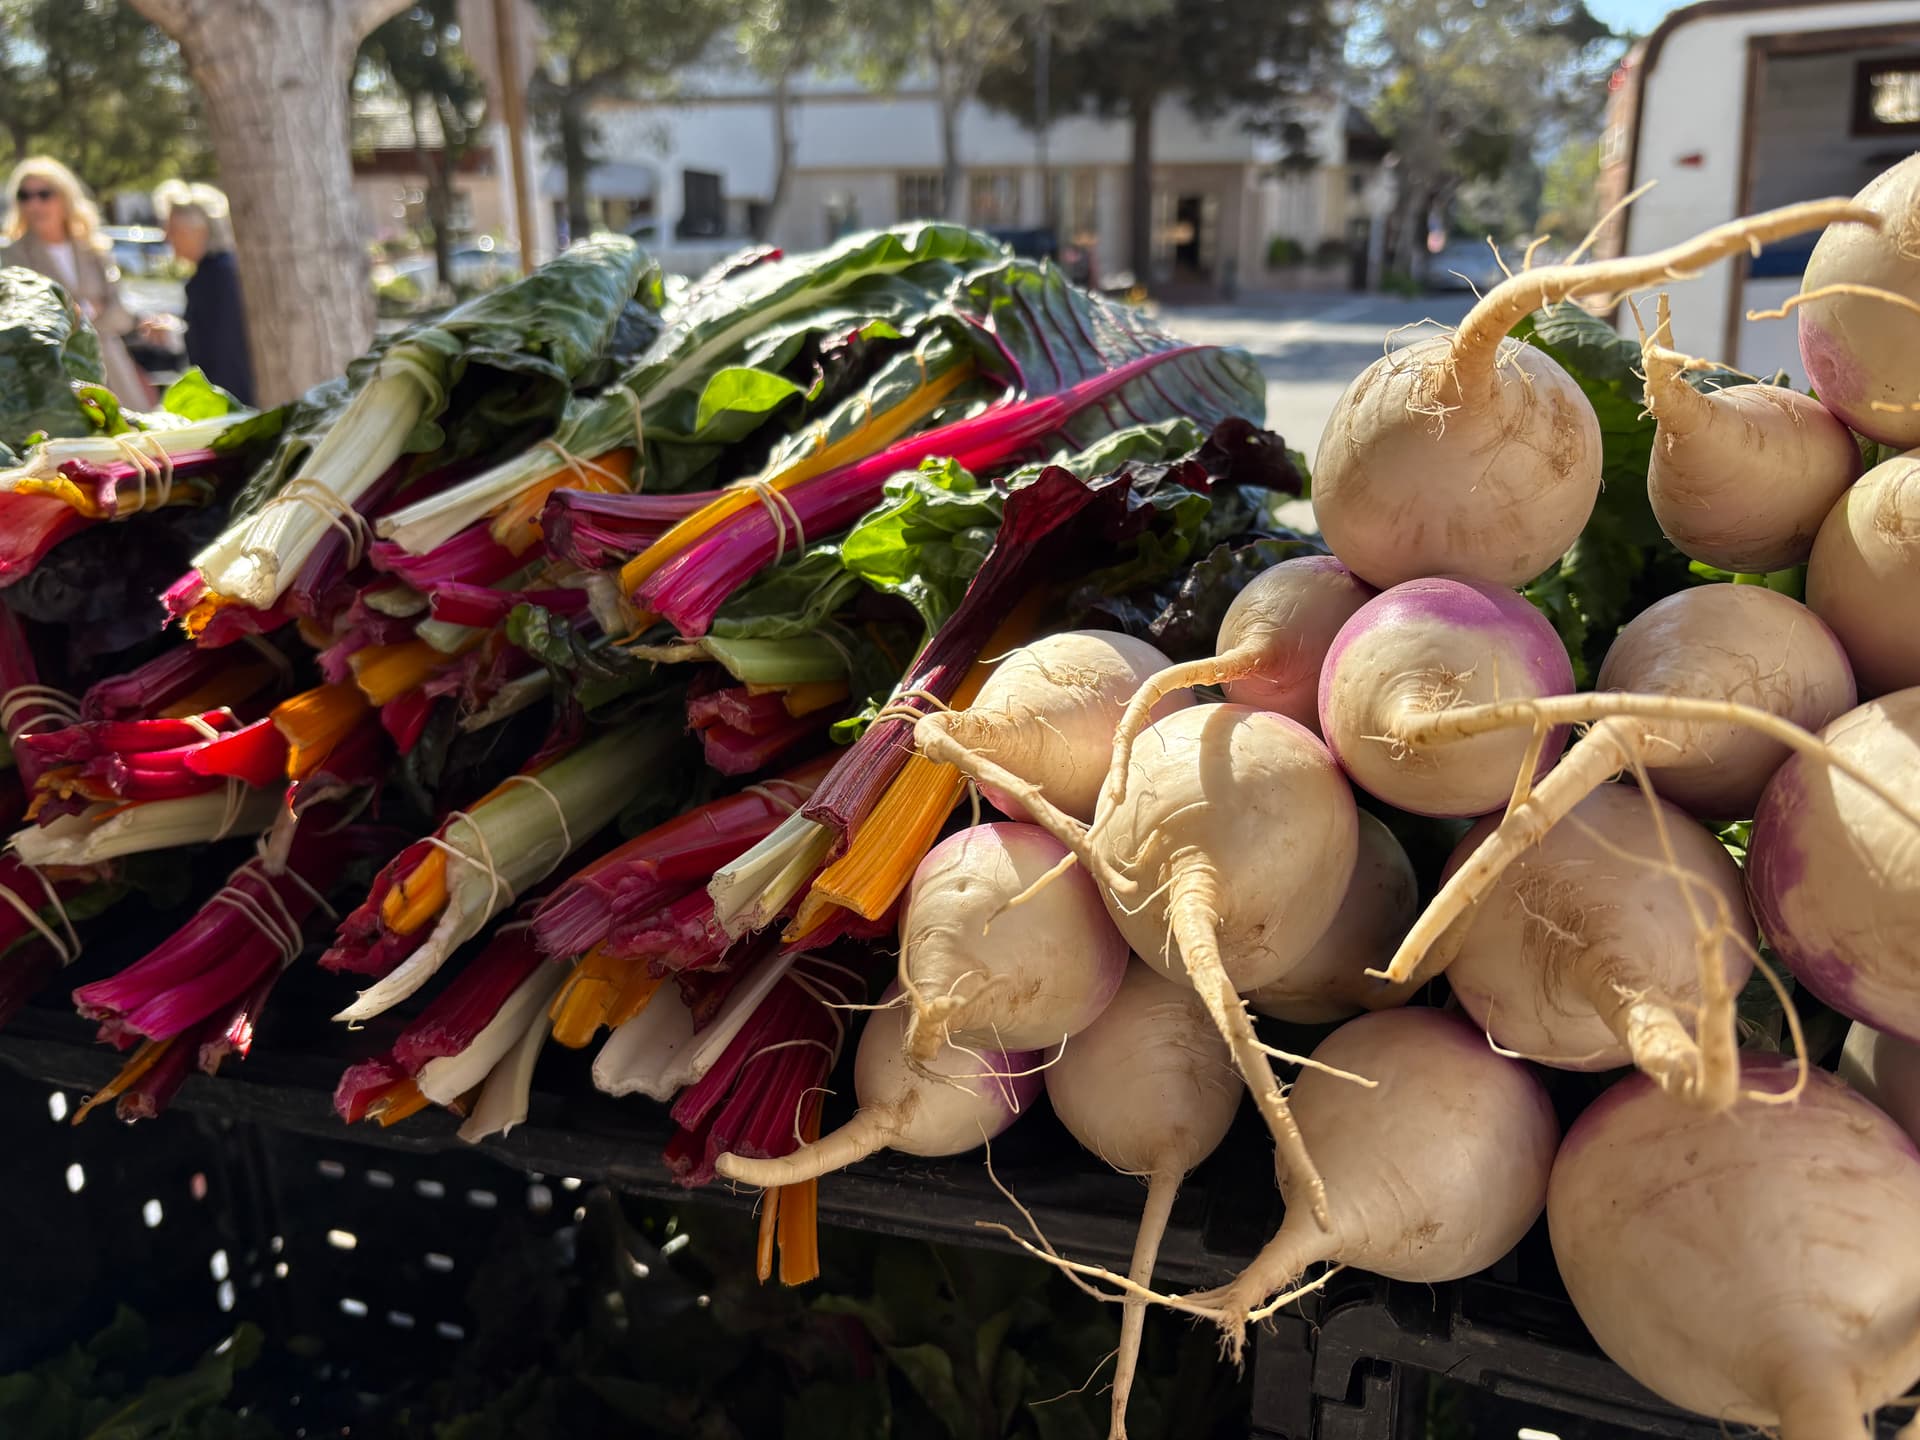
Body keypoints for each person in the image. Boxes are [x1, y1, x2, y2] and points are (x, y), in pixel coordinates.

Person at [1, 156, 153, 407]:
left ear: (65, 197)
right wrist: (84, 312)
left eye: (43, 194)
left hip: (113, 370)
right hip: (53, 377)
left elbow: (121, 313)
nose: (34, 203)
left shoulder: (94, 250)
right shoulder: (11, 255)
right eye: (24, 196)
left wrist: (84, 314)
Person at [151, 180, 255, 406]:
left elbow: (225, 348)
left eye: (173, 229)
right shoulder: (214, 272)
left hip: (235, 401)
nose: (166, 237)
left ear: (197, 230)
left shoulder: (219, 276)